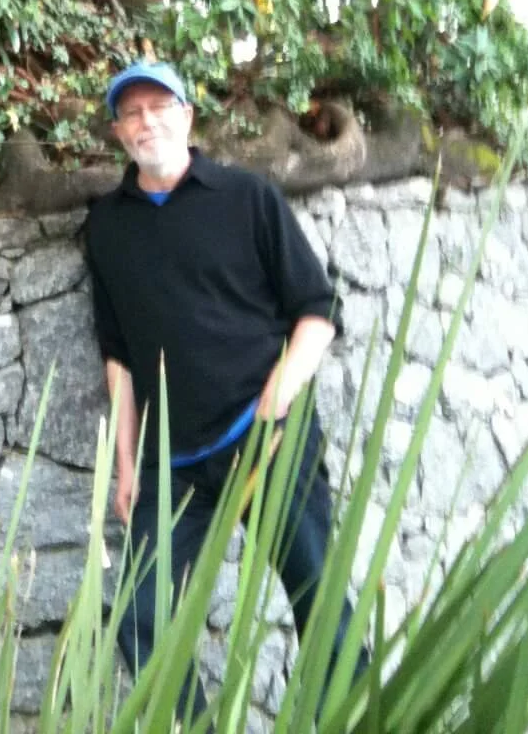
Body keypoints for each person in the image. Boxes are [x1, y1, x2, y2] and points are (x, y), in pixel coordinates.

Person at [85, 58, 360, 715]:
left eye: (159, 107)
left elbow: (317, 312)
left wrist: (278, 402)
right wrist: (126, 466)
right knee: (140, 619)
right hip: (170, 467)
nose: (146, 120)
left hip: (265, 438)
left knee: (319, 600)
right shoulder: (106, 228)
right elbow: (118, 356)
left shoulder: (248, 197)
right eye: (132, 112)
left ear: (187, 115)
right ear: (119, 132)